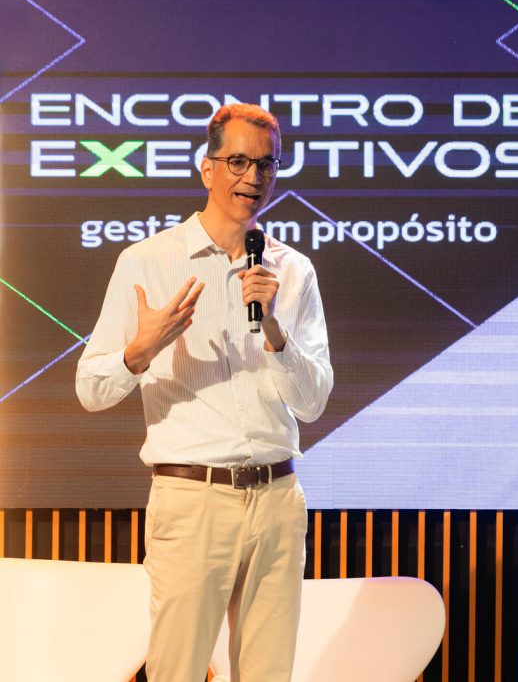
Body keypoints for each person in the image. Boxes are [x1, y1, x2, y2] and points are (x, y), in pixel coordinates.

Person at [76, 103, 333, 682]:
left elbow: (313, 402)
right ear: (207, 169)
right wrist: (140, 351)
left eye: (266, 164)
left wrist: (274, 329)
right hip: (193, 499)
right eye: (238, 162)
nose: (253, 177)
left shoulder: (293, 271)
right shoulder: (147, 261)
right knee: (179, 671)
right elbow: (90, 388)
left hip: (277, 499)